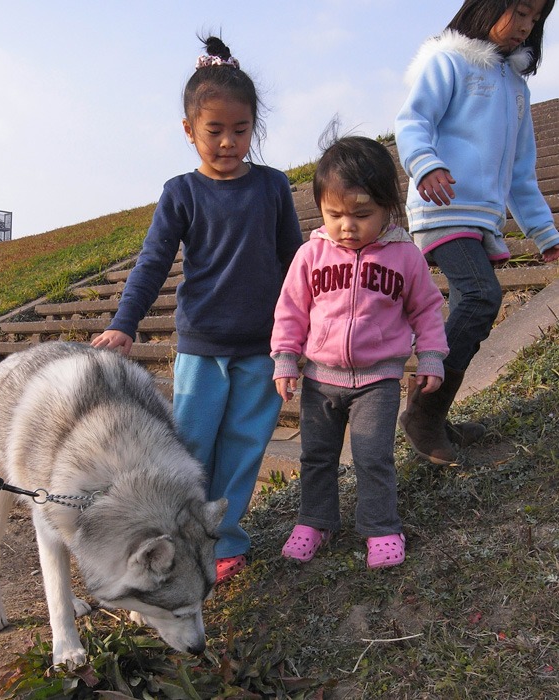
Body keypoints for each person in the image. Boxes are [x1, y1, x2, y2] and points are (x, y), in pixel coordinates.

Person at [92, 35, 303, 584]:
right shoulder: (181, 192)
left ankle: (225, 540)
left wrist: (305, 329)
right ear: (189, 131)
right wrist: (123, 323)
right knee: (189, 453)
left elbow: (295, 264)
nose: (229, 142)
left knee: (243, 450)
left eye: (240, 130)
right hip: (202, 349)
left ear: (254, 127)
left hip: (262, 349)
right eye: (215, 131)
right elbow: (152, 263)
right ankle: (177, 540)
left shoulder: (274, 187)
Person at [271, 135, 449, 569]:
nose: (347, 225)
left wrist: (430, 356)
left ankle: (381, 527)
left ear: (388, 205)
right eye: (334, 214)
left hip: (378, 380)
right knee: (316, 456)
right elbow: (291, 309)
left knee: (373, 456)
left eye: (361, 214)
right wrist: (284, 357)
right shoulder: (311, 254)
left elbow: (426, 308)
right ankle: (315, 520)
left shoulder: (405, 255)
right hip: (319, 378)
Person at [395, 0, 559, 466]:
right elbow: (413, 121)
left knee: (478, 308)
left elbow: (522, 172)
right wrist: (426, 164)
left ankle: (435, 411)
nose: (526, 27)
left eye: (536, 19)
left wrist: (544, 231)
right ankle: (423, 415)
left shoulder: (516, 88)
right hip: (442, 205)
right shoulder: (448, 61)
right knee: (481, 296)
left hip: (482, 218)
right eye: (520, 12)